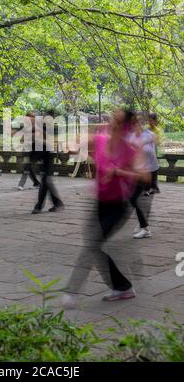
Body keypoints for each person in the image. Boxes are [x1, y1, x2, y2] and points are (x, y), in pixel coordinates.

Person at [62, 109, 148, 308]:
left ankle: (72, 291)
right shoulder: (100, 140)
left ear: (124, 128)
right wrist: (72, 145)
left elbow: (145, 176)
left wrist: (119, 171)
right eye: (111, 119)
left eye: (116, 122)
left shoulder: (129, 150)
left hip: (118, 206)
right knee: (93, 246)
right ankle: (122, 286)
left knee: (93, 244)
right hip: (99, 202)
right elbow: (81, 139)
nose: (112, 123)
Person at [32, 110, 64, 214]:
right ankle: (49, 205)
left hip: (49, 156)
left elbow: (50, 143)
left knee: (46, 180)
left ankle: (42, 206)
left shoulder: (51, 129)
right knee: (45, 181)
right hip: (43, 156)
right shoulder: (42, 127)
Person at [128, 115, 154, 239]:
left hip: (144, 173)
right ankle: (142, 222)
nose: (135, 126)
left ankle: (145, 228)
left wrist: (140, 145)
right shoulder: (131, 136)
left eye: (137, 123)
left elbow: (150, 151)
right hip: (134, 173)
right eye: (133, 124)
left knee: (133, 199)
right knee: (132, 199)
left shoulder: (147, 135)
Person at [17, 112, 40, 190]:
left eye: (30, 118)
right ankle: (36, 183)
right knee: (28, 167)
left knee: (27, 166)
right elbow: (23, 138)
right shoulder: (26, 127)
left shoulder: (36, 127)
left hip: (37, 150)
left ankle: (21, 184)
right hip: (29, 149)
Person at [145, 113, 162, 195]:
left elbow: (157, 142)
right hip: (147, 153)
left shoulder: (157, 130)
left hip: (154, 152)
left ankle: (152, 188)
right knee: (149, 171)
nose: (149, 122)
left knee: (153, 171)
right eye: (149, 120)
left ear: (155, 121)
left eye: (151, 120)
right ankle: (152, 188)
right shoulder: (146, 129)